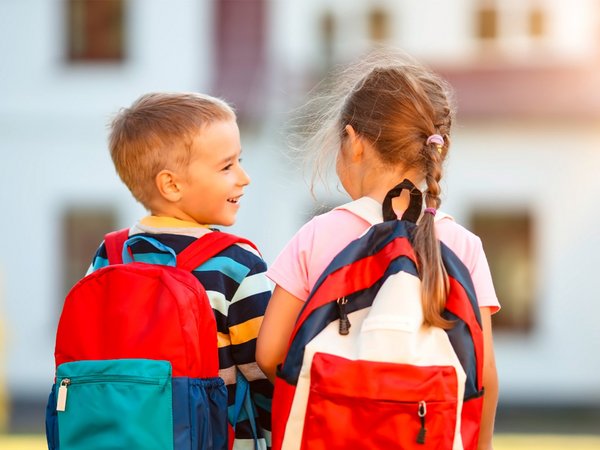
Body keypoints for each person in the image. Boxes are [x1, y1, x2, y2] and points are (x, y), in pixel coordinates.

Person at [256, 51, 499, 450]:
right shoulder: (463, 245)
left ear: (353, 143)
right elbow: (484, 373)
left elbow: (270, 353)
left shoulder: (319, 234)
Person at [89, 92, 272, 450]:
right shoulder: (236, 265)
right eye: (227, 166)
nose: (244, 177)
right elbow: (265, 370)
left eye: (240, 161)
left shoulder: (110, 255)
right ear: (171, 184)